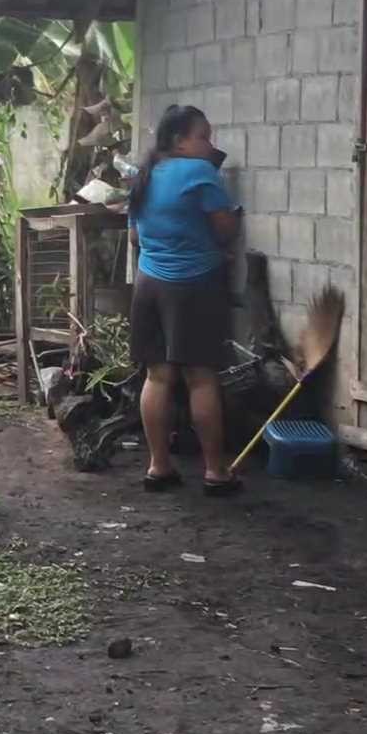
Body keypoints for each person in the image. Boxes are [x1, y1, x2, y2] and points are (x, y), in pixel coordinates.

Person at [124, 104, 242, 496]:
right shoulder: (200, 173)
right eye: (203, 137)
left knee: (157, 376)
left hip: (148, 285)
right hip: (193, 285)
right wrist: (232, 218)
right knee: (201, 377)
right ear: (178, 140)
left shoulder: (144, 175)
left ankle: (159, 467)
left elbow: (135, 239)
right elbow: (225, 232)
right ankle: (216, 472)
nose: (210, 145)